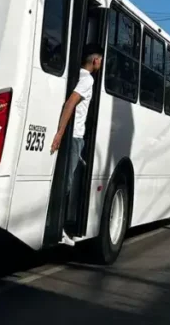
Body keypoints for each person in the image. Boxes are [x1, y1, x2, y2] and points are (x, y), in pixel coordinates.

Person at [49, 45, 103, 247]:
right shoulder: (88, 79)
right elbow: (71, 102)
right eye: (101, 60)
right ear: (95, 61)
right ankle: (59, 228)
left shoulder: (76, 74)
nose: (101, 64)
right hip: (75, 137)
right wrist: (60, 133)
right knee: (67, 184)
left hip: (74, 137)